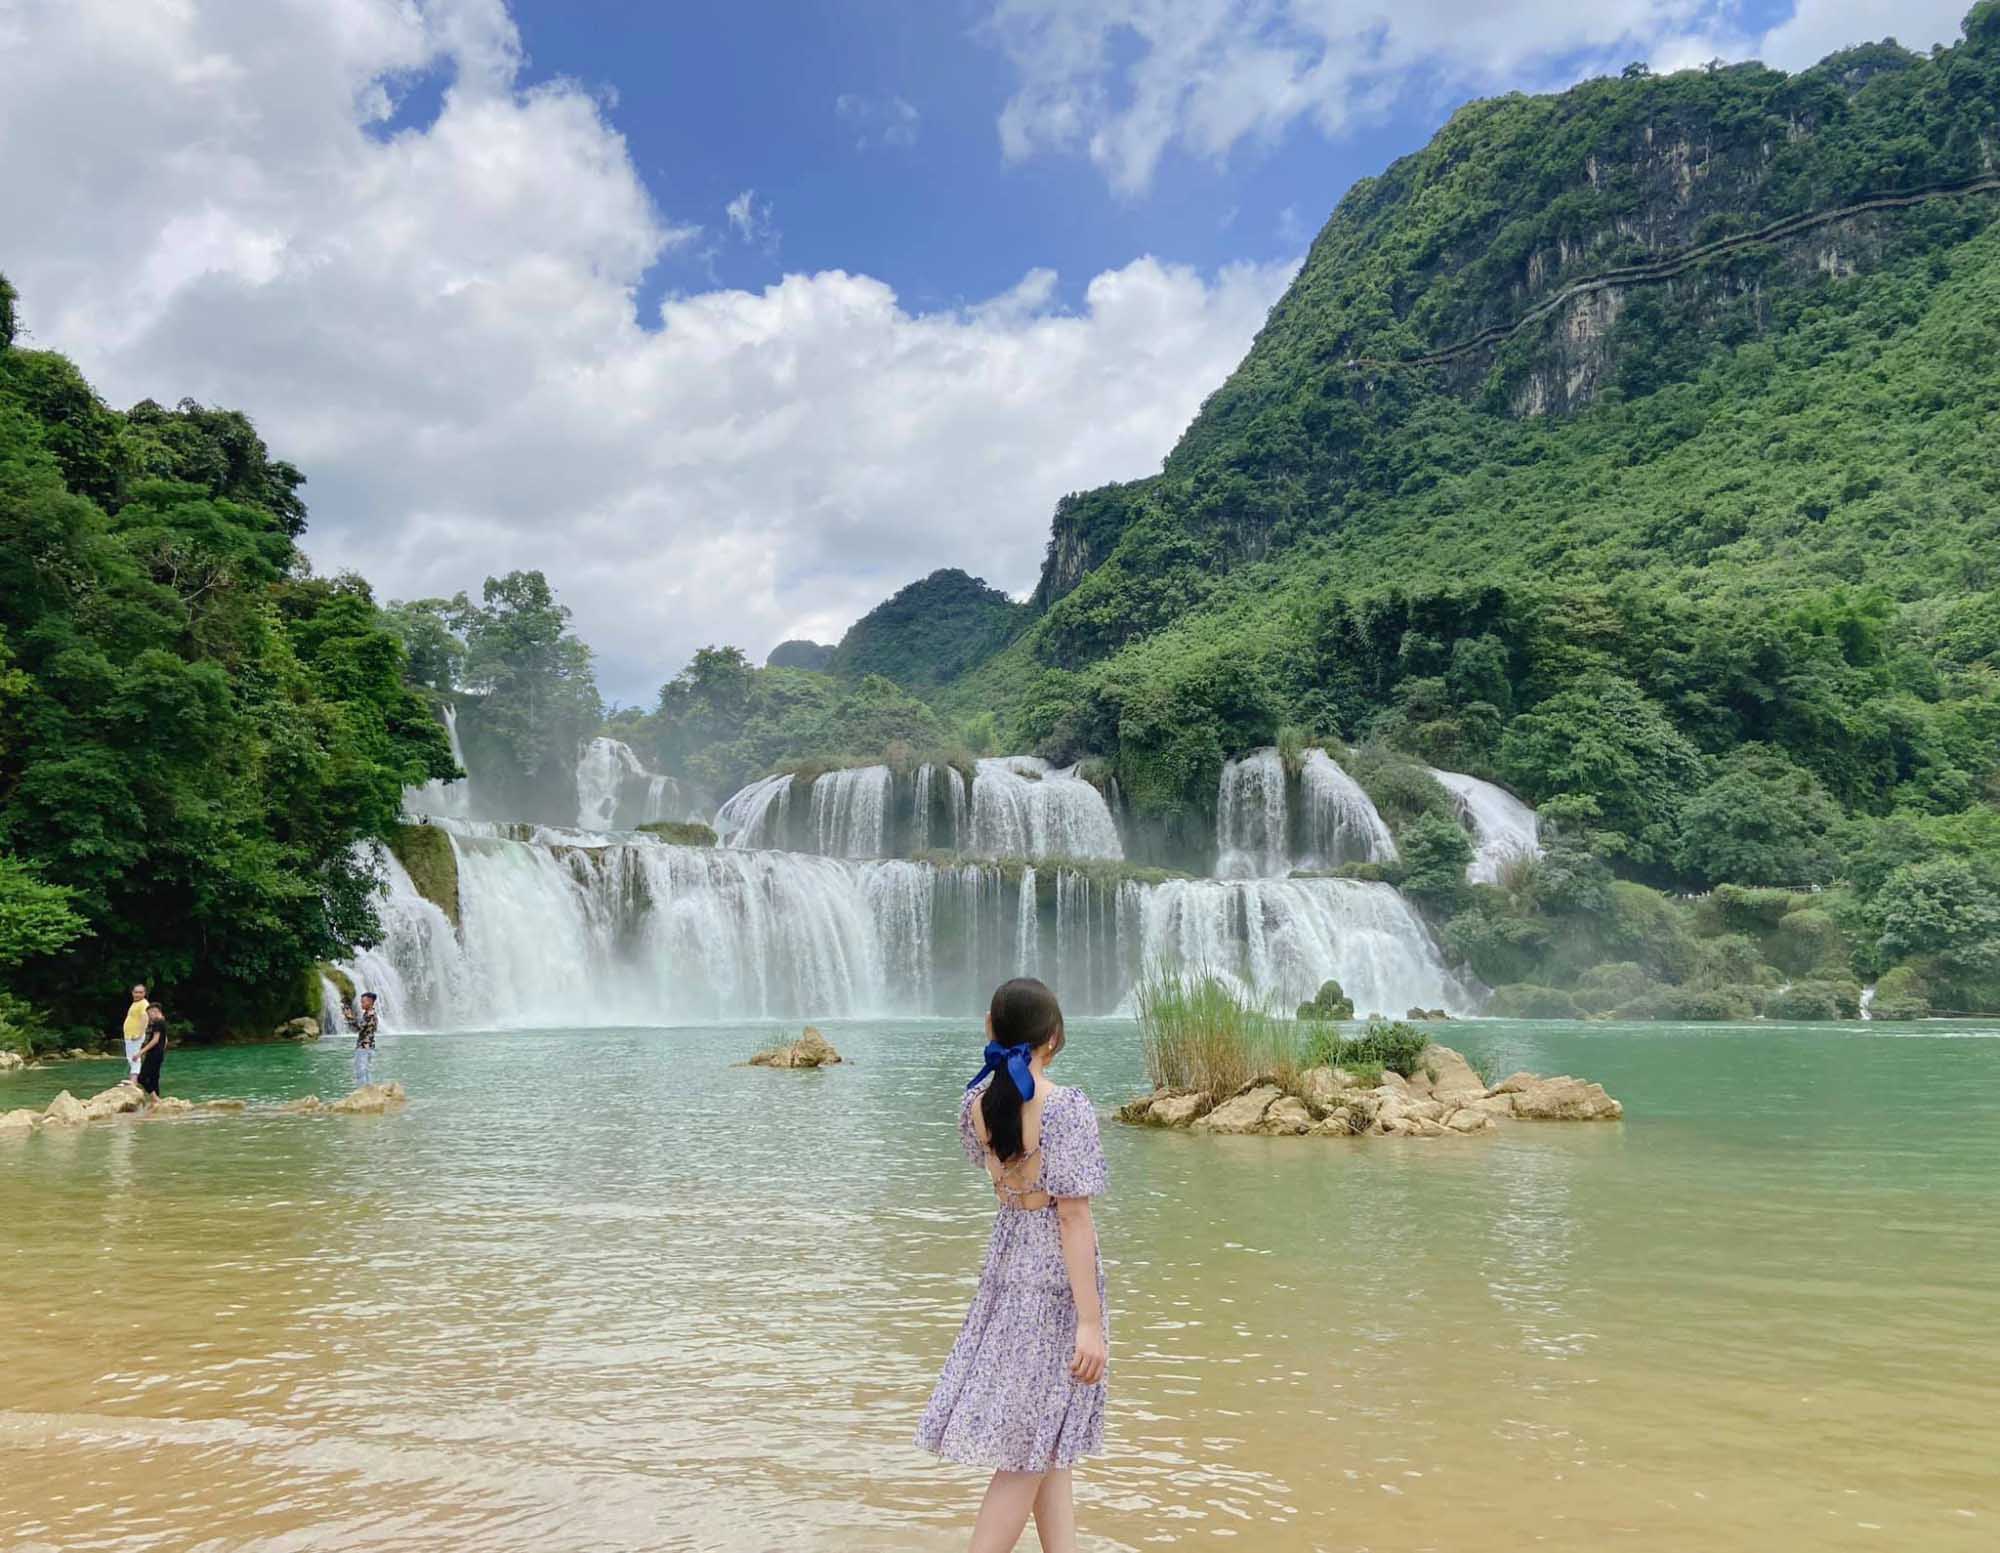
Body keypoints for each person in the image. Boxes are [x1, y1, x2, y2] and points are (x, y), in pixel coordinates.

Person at [915, 977, 1109, 1553]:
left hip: (1006, 1266)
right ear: (1053, 1037)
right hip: (1054, 1280)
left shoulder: (974, 1105)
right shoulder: (1065, 1107)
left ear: (989, 1028)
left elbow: (999, 1174)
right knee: (1027, 1453)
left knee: (1048, 1441)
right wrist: (1090, 1322)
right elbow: (1072, 1217)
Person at [135, 1004, 168, 1099]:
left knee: (141, 1078)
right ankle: (157, 1098)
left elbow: (155, 1040)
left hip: (153, 1054)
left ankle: (155, 1099)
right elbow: (165, 1040)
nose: (149, 1017)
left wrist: (141, 1052)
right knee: (154, 1077)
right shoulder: (163, 1022)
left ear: (155, 1011)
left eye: (149, 1014)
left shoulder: (157, 1022)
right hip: (159, 1054)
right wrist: (162, 1051)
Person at [122, 983, 149, 1082]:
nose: (138, 994)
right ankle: (133, 1079)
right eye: (136, 992)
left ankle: (134, 1080)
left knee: (134, 1057)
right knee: (130, 1057)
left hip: (135, 1035)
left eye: (140, 992)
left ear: (144, 993)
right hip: (130, 1035)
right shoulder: (136, 1003)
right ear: (132, 993)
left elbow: (145, 1018)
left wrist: (139, 1034)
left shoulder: (144, 1004)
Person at [352, 992, 379, 1087]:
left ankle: (362, 1092)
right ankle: (369, 1091)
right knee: (367, 1071)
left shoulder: (369, 1015)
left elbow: (359, 1028)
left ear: (370, 1002)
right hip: (369, 1046)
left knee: (361, 1071)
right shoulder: (371, 1014)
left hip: (363, 1047)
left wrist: (350, 1018)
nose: (361, 1004)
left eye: (363, 1002)